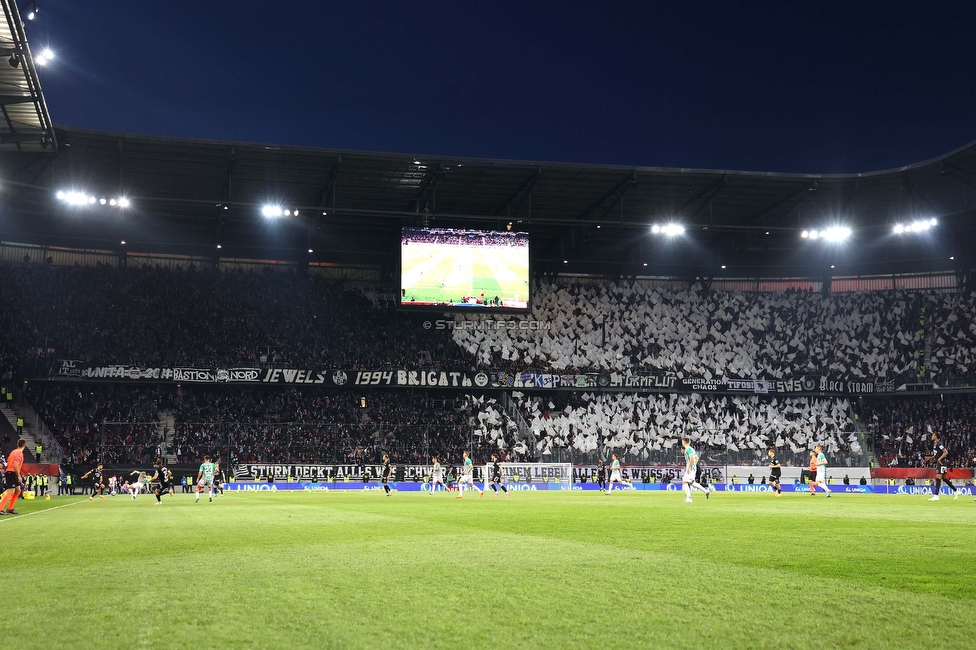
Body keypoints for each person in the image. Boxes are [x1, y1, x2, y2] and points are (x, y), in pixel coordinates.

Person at [925, 433, 959, 501]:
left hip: (941, 463)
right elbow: (937, 454)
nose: (932, 436)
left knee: (938, 477)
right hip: (940, 463)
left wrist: (939, 459)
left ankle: (936, 495)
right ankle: (956, 491)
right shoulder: (935, 445)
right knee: (944, 479)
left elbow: (945, 452)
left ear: (936, 437)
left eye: (933, 435)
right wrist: (930, 457)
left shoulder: (939, 444)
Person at [0, 439, 26, 515]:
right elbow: (15, 465)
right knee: (11, 491)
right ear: (24, 445)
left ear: (17, 444)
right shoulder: (19, 453)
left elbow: (8, 461)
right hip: (12, 472)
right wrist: (19, 476)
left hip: (11, 472)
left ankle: (10, 508)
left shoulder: (13, 452)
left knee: (18, 490)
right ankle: (0, 509)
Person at [680, 438, 707, 503]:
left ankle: (689, 498)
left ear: (684, 442)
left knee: (684, 482)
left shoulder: (688, 449)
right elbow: (696, 458)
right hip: (693, 468)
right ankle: (705, 491)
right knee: (691, 482)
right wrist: (694, 465)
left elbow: (692, 458)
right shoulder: (692, 449)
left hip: (691, 468)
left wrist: (689, 467)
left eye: (682, 442)